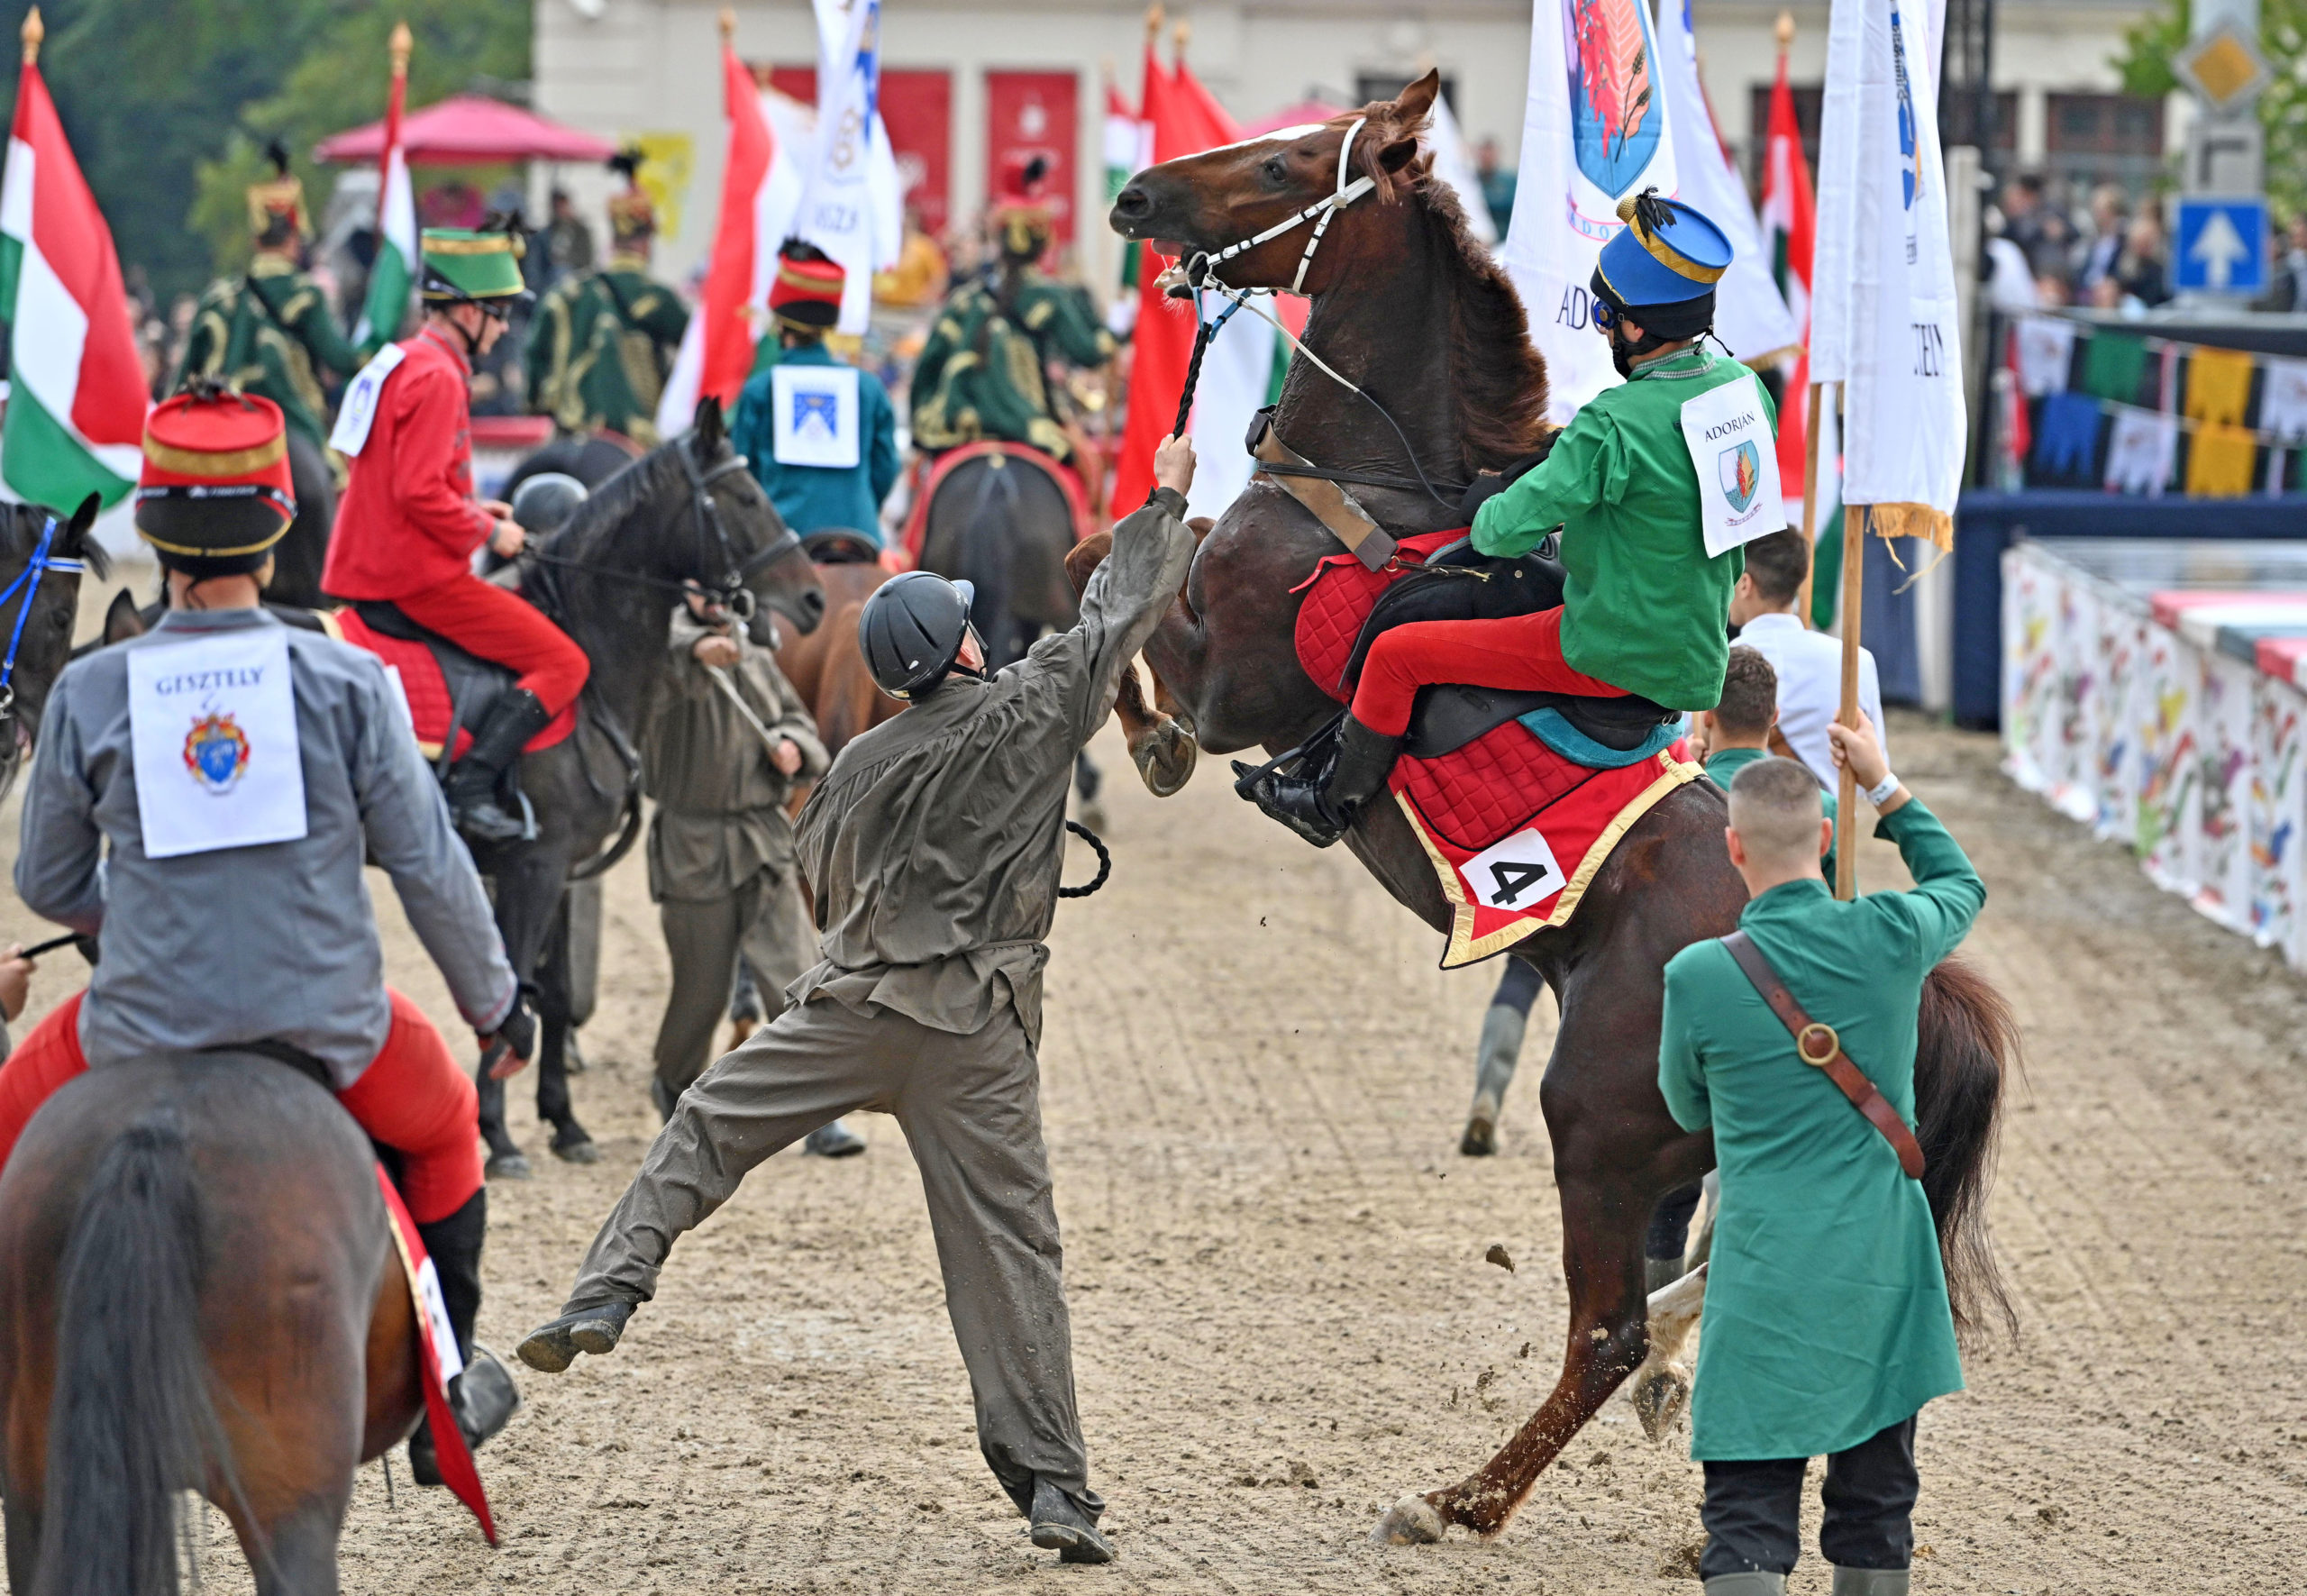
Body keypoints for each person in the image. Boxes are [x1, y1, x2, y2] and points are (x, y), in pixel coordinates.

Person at [518, 434, 1202, 1566]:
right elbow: (1119, 613)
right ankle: (1059, 1493)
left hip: (849, 1013)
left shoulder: (857, 762)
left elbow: (826, 886)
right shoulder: (1035, 708)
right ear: (967, 646)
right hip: (977, 1036)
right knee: (1012, 1253)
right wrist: (1166, 492)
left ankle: (605, 1290)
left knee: (704, 1126)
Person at [4, 387, 536, 1486]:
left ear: (152, 528)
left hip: (134, 1027)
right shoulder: (351, 680)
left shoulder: (95, 686)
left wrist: (127, 925)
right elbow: (434, 869)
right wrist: (496, 1007)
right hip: (329, 1025)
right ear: (279, 524)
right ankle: (447, 1394)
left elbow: (47, 878)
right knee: (445, 1132)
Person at [1242, 189, 1769, 846]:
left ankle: (1327, 803)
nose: (1606, 327)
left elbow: (1499, 532)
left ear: (1637, 328)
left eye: (1608, 314)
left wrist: (1496, 495)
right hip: (1698, 653)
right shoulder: (1744, 391)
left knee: (1396, 654)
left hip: (1610, 653)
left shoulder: (1612, 424)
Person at [1658, 716, 1981, 1596]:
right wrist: (1883, 782)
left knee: (1746, 1521)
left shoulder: (1695, 974)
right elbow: (1959, 881)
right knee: (1876, 1512)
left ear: (1732, 847)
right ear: (1829, 838)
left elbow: (1688, 1111)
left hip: (1762, 1270)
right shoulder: (1890, 937)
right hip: (1882, 1265)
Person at [323, 228, 590, 845]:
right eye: (498, 316)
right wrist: (487, 529)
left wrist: (472, 505)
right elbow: (418, 492)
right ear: (468, 310)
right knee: (563, 660)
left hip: (362, 563)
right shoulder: (441, 376)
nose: (501, 331)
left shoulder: (400, 358)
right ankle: (470, 787)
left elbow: (402, 479)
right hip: (412, 577)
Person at [643, 581, 867, 1163]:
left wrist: (794, 746)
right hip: (694, 846)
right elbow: (661, 663)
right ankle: (673, 1085)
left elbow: (803, 729)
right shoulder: (664, 651)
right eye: (699, 589)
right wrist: (692, 651)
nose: (715, 601)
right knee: (701, 993)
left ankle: (818, 1113)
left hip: (763, 837)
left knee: (797, 975)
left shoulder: (757, 656)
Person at [909, 154, 1117, 467]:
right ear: (1043, 238)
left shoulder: (963, 300)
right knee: (1089, 471)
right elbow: (1089, 351)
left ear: (998, 236)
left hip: (957, 426)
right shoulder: (1051, 296)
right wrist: (1118, 333)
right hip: (1029, 419)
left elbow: (926, 370)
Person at [175, 141, 369, 452]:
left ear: (255, 239)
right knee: (331, 478)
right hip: (288, 419)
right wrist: (374, 356)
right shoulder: (305, 292)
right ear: (295, 239)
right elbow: (337, 358)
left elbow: (184, 377)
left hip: (215, 421)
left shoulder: (216, 297)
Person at [730, 242, 901, 557]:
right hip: (858, 538)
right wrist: (858, 503)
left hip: (779, 541)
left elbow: (743, 474)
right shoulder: (869, 387)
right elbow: (886, 466)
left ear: (780, 324)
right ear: (829, 325)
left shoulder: (760, 389)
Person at [524, 149, 690, 445]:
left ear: (612, 236)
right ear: (647, 241)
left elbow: (534, 361)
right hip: (637, 440)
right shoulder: (659, 299)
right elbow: (694, 358)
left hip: (570, 434)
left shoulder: (565, 294)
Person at [1719, 529, 1884, 789]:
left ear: (1745, 584)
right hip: (1826, 824)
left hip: (1735, 823)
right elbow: (1871, 772)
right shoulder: (1855, 662)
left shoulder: (1717, 665)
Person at [1698, 645, 1837, 883]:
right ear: (1774, 717)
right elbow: (1842, 900)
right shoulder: (1819, 803)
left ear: (1708, 715)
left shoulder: (1683, 796)